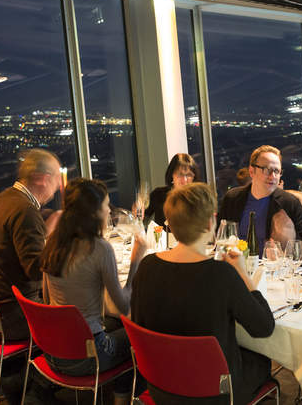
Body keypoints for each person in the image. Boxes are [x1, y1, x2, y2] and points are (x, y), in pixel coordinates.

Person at [131, 183, 275, 404]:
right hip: (214, 393)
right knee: (263, 362)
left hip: (162, 385)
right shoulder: (221, 274)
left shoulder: (147, 266)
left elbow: (139, 323)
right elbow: (263, 327)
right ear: (210, 223)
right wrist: (243, 274)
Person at [41, 178, 145, 405]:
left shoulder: (53, 242)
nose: (109, 209)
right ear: (93, 212)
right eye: (106, 205)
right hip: (87, 357)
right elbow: (124, 305)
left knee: (116, 325)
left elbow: (47, 300)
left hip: (52, 351)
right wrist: (137, 259)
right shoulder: (99, 248)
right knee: (140, 338)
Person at [0, 149, 62, 341]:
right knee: (81, 314)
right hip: (11, 316)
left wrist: (49, 227)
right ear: (42, 179)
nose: (57, 188)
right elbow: (37, 272)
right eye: (56, 180)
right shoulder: (25, 210)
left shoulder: (4, 199)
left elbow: (22, 245)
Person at [218, 145, 302, 252]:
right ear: (252, 171)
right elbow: (219, 237)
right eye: (267, 170)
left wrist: (287, 243)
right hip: (237, 264)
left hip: (272, 267)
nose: (272, 176)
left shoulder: (290, 203)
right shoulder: (232, 198)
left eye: (276, 171)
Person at [144, 153, 201, 227]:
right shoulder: (158, 194)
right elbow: (141, 217)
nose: (184, 180)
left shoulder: (199, 198)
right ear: (171, 175)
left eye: (189, 175)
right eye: (180, 174)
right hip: (162, 238)